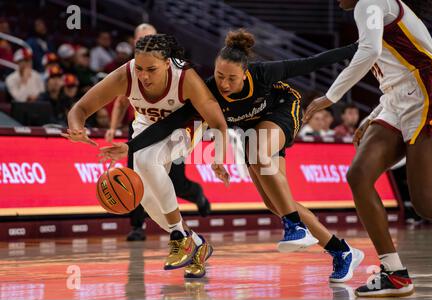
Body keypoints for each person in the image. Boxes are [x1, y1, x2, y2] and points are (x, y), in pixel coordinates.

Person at [102, 29, 366, 283]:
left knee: (261, 153)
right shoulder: (207, 91)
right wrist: (132, 146)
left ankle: (294, 227)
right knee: (277, 203)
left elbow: (314, 62)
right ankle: (341, 251)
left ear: (245, 72)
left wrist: (357, 48)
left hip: (284, 110)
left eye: (232, 78)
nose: (225, 84)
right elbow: (169, 123)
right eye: (219, 76)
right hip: (254, 129)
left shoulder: (263, 72)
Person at [303, 0, 432, 297]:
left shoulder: (369, 2)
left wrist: (329, 97)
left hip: (427, 95)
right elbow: (394, 76)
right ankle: (394, 273)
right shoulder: (373, 11)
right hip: (395, 103)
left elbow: (371, 52)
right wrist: (371, 117)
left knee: (427, 203)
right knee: (358, 176)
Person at [62, 34, 230, 279]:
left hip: (185, 126)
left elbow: (218, 122)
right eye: (139, 68)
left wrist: (218, 156)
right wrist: (77, 127)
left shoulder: (185, 78)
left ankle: (178, 236)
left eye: (151, 69)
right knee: (147, 199)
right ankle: (197, 245)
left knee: (145, 159)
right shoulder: (126, 75)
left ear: (167, 63)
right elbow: (80, 108)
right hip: (145, 126)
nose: (144, 76)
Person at [105, 24, 211, 242]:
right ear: (135, 42)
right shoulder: (131, 71)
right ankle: (141, 227)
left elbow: (207, 109)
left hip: (177, 130)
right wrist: (112, 128)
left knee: (176, 182)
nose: (145, 42)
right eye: (141, 39)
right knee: (136, 183)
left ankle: (196, 197)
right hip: (143, 130)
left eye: (150, 38)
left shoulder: (179, 73)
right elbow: (120, 102)